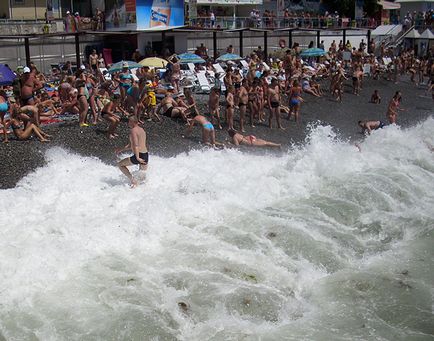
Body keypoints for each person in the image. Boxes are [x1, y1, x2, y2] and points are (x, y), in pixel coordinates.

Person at [115, 116, 148, 188]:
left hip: (139, 155)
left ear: (133, 122)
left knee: (120, 165)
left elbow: (136, 145)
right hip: (145, 155)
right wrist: (121, 149)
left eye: (129, 121)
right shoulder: (141, 129)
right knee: (142, 177)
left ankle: (132, 180)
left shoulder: (133, 131)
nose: (128, 123)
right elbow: (131, 145)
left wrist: (137, 157)